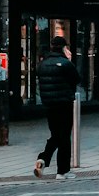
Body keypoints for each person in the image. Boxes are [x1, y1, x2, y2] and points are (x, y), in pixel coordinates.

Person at [34, 36, 81, 180]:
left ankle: (43, 159)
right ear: (63, 47)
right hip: (64, 104)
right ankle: (62, 171)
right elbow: (76, 79)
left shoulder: (43, 64)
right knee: (64, 137)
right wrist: (69, 60)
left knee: (56, 135)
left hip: (49, 105)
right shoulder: (66, 64)